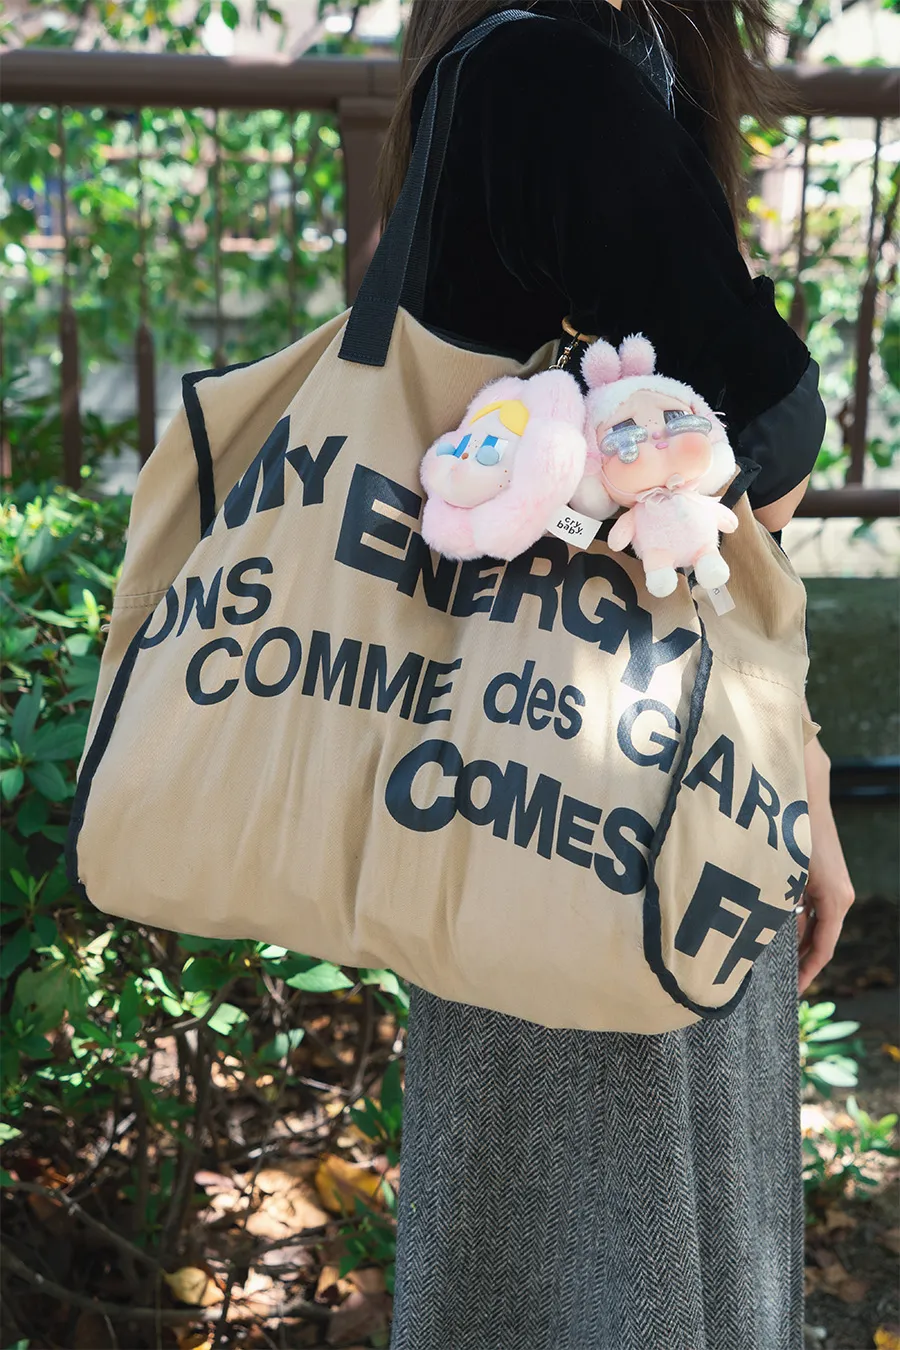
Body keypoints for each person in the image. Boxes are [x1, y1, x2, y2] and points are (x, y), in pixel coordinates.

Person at [377, 3, 856, 1347]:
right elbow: (755, 442)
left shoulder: (505, 64)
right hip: (615, 795)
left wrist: (800, 751)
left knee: (555, 1260)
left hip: (532, 759)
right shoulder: (559, 78)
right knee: (613, 1265)